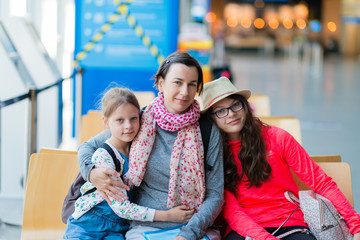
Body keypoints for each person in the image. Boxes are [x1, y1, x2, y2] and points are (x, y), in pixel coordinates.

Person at [77, 52, 224, 240]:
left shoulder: (208, 131)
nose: (185, 92)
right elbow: (87, 147)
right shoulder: (139, 121)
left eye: (192, 84)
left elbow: (215, 195)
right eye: (177, 82)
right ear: (161, 83)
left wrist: (189, 234)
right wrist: (91, 173)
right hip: (145, 227)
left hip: (193, 226)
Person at [200, 77, 360, 240]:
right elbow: (232, 211)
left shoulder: (277, 137)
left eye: (235, 105)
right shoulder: (213, 154)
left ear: (244, 106)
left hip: (289, 223)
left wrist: (356, 225)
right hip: (244, 229)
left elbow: (321, 182)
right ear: (211, 118)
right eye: (220, 111)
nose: (231, 114)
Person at [64, 87, 195, 240]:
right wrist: (168, 216)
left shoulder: (139, 149)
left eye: (133, 118)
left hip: (117, 228)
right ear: (106, 122)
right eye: (120, 120)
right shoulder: (104, 156)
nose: (128, 126)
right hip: (87, 225)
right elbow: (121, 207)